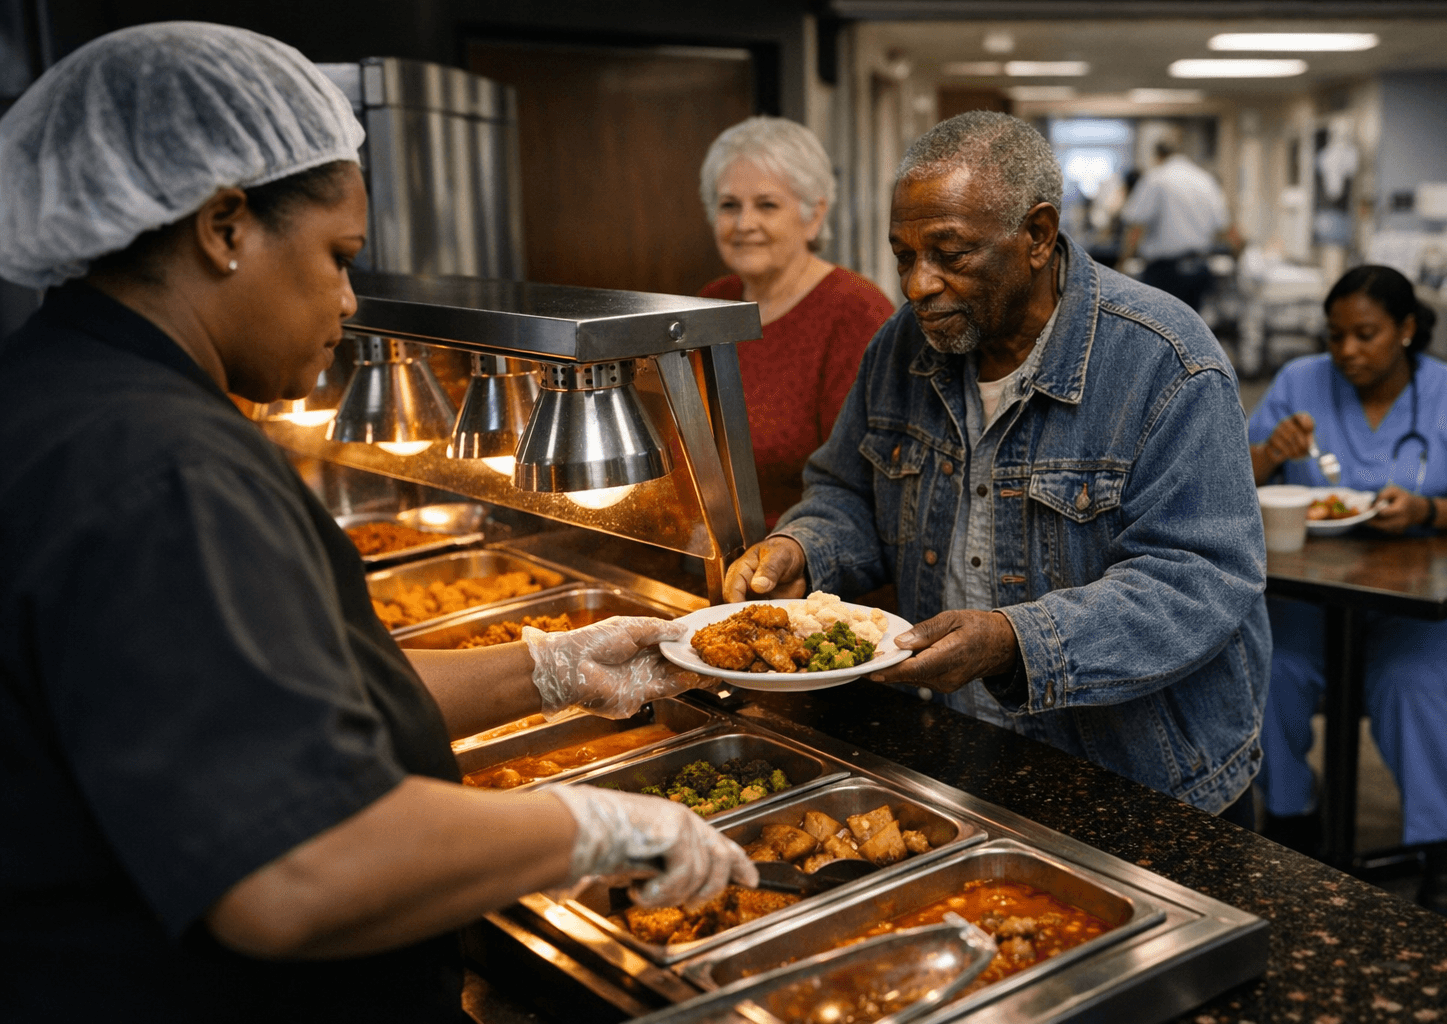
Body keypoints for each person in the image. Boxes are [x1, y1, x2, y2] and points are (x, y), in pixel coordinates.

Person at [0, 24, 754, 1022]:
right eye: (338, 256)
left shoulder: (60, 391)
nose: (351, 301)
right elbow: (293, 868)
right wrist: (588, 826)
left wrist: (547, 668)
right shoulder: (161, 466)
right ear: (224, 227)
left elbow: (284, 704)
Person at [725, 111, 1270, 821]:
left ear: (1038, 236)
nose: (918, 284)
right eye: (903, 256)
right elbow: (849, 492)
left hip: (1140, 778)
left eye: (950, 254)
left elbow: (1199, 577)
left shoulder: (1166, 360)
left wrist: (1017, 642)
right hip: (961, 751)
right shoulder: (901, 346)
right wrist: (804, 548)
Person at [1248, 264, 1447, 922]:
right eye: (1335, 335)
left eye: (1365, 335)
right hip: (1318, 592)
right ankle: (1292, 816)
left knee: (1408, 678)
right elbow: (1232, 478)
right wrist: (1272, 453)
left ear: (1406, 329)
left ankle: (1446, 848)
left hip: (1434, 597)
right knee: (1272, 664)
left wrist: (1429, 510)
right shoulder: (1299, 382)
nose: (1347, 351)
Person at [698, 116, 893, 526]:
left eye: (767, 205)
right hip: (709, 549)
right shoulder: (709, 303)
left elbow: (863, 485)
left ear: (814, 215)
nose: (744, 224)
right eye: (729, 205)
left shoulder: (857, 312)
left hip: (809, 555)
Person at [1117, 138, 1240, 315]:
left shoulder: (1156, 178)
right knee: (1193, 323)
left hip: (1165, 272)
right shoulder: (1204, 179)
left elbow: (1136, 226)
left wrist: (1122, 264)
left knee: (1159, 323)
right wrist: (1239, 256)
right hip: (1199, 269)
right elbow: (1225, 226)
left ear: (1158, 156)